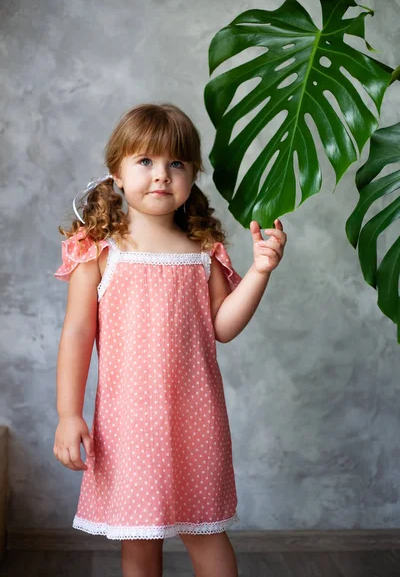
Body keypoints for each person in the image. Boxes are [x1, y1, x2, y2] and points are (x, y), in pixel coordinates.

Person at [52, 102, 287, 577]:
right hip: (128, 425)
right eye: (145, 162)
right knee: (139, 540)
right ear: (116, 173)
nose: (161, 175)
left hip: (197, 417)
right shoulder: (97, 252)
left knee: (206, 532)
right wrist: (68, 413)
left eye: (175, 164)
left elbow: (222, 326)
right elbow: (78, 333)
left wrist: (260, 271)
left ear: (192, 174)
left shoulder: (203, 252)